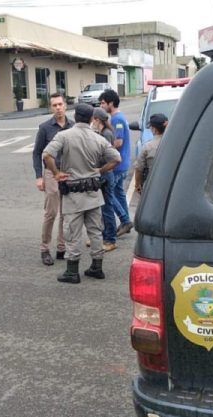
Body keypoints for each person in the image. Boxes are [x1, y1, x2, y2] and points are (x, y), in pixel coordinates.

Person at [42, 103, 121, 284]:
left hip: (74, 193)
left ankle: (72, 271)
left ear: (76, 116)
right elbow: (116, 158)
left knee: (72, 233)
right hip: (93, 192)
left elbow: (46, 155)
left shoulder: (64, 136)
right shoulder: (98, 138)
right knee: (95, 231)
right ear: (92, 118)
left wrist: (56, 173)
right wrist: (99, 171)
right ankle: (97, 267)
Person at [33, 93, 74, 266]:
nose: (58, 108)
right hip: (51, 172)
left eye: (60, 104)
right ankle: (44, 249)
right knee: (51, 213)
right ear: (51, 108)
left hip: (68, 173)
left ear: (65, 105)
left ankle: (61, 247)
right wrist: (39, 176)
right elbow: (37, 153)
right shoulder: (45, 128)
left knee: (66, 213)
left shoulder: (73, 126)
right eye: (54, 105)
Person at [98, 89, 134, 237]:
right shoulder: (118, 117)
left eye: (103, 103)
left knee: (109, 194)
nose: (101, 106)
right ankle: (126, 221)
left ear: (111, 103)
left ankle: (125, 220)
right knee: (119, 194)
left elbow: (118, 142)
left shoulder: (117, 119)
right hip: (122, 163)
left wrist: (104, 151)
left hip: (118, 164)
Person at [91, 107, 118, 252]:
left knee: (107, 207)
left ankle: (110, 239)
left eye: (93, 120)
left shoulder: (106, 134)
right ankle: (103, 235)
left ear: (97, 120)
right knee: (101, 207)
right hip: (103, 173)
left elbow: (107, 155)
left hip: (106, 174)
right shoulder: (102, 132)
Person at [134, 113, 167, 194]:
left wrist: (137, 185)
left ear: (154, 129)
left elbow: (139, 169)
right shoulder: (177, 142)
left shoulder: (148, 147)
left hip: (153, 184)